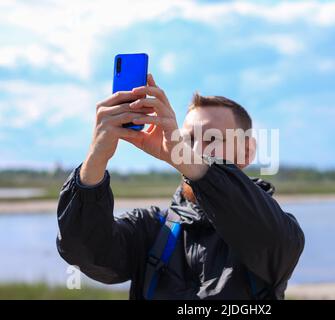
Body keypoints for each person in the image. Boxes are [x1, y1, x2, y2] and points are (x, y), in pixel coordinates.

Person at [56, 74, 305, 299]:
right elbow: (84, 252)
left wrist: (190, 163)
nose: (194, 151)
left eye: (213, 139)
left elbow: (268, 235)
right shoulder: (151, 230)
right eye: (187, 140)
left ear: (247, 151)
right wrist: (96, 158)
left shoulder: (277, 230)